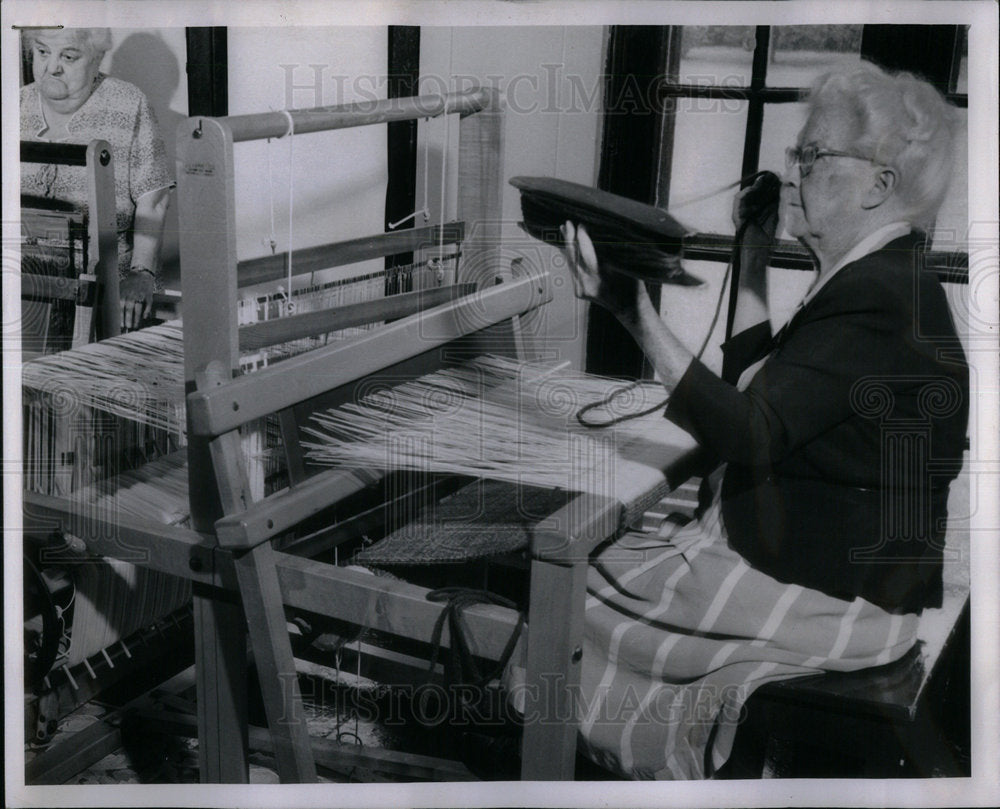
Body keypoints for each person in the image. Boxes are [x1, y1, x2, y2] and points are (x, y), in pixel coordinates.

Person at [558, 62, 968, 779]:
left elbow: (749, 430)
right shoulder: (883, 279)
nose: (795, 172)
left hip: (833, 602)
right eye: (798, 155)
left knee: (573, 591)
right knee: (620, 564)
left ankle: (567, 757)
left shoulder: (878, 299)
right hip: (843, 574)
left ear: (880, 185)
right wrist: (752, 251)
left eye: (814, 156)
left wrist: (630, 311)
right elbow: (764, 392)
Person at [20, 27, 174, 330]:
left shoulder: (129, 104)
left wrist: (141, 273)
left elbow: (152, 200)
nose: (52, 67)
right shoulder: (15, 105)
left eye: (68, 56)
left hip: (106, 294)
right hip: (25, 287)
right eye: (42, 52)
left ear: (97, 57)